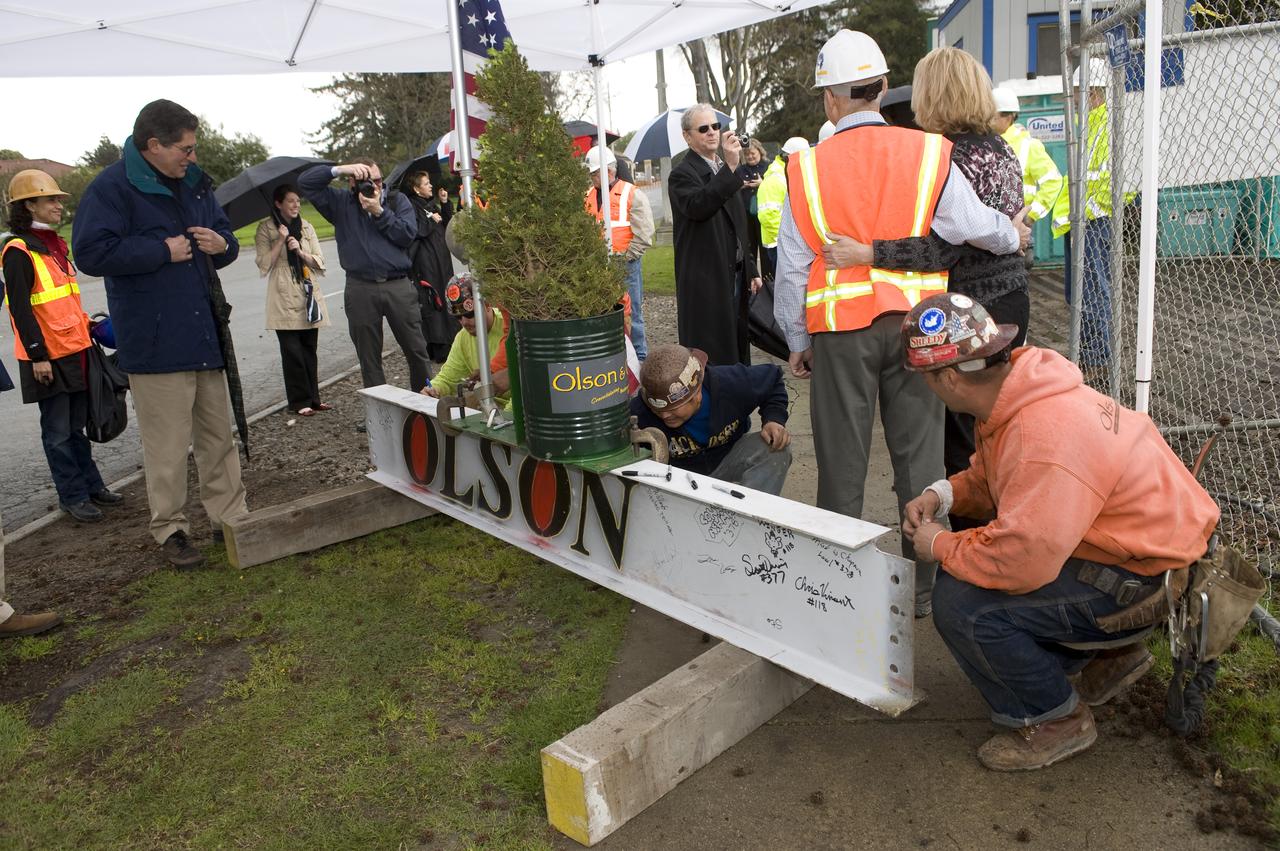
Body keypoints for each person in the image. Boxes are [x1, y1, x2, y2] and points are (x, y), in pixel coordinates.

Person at [898, 293, 1219, 770]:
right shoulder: (1022, 392)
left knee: (962, 602)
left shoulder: (1040, 434)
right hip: (1149, 555)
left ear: (946, 377)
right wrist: (942, 496)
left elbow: (1021, 560)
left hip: (1150, 578)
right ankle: (1110, 659)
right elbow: (997, 478)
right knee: (989, 566)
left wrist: (939, 545)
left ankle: (1054, 720)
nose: (927, 387)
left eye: (925, 377)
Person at [773, 30, 1029, 617]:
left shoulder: (805, 168)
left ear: (830, 99)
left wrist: (796, 340)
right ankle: (923, 588)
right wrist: (1008, 233)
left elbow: (791, 268)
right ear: (885, 88)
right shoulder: (927, 153)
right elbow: (972, 224)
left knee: (841, 464)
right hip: (921, 329)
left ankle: (837, 588)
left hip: (841, 331)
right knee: (919, 460)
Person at [822, 48, 1030, 549]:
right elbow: (997, 228)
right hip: (1009, 302)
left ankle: (970, 556)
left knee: (959, 444)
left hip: (964, 315)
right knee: (997, 433)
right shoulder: (1000, 148)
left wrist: (869, 251)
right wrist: (1015, 235)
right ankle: (1002, 537)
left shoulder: (944, 154)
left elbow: (946, 245)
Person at [73, 99, 247, 569]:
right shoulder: (110, 188)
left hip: (204, 332)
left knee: (217, 437)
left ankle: (230, 519)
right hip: (152, 340)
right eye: (185, 149)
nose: (192, 157)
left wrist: (223, 243)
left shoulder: (195, 182)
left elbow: (224, 233)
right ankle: (170, 529)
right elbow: (89, 252)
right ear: (154, 145)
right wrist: (157, 251)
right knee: (167, 446)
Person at [3, 169, 122, 523]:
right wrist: (38, 356)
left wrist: (89, 329)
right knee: (57, 433)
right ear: (30, 205)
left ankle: (91, 487)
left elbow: (63, 301)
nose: (59, 205)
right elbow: (21, 311)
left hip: (76, 349)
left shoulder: (54, 246)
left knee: (76, 426)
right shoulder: (18, 251)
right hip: (47, 358)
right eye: (51, 199)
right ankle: (72, 497)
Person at [298, 158, 433, 393]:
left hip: (397, 284)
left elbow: (407, 235)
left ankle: (424, 404)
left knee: (416, 349)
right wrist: (338, 169)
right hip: (360, 287)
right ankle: (379, 415)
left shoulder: (396, 200)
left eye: (378, 180)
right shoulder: (340, 203)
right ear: (352, 182)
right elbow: (306, 183)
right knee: (369, 357)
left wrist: (379, 212)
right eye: (366, 180)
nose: (374, 185)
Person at [668, 104, 762, 366]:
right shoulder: (681, 174)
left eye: (715, 126)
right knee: (712, 353)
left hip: (735, 272)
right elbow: (700, 206)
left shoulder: (724, 169)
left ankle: (737, 397)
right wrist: (730, 168)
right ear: (688, 136)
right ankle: (715, 402)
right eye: (703, 128)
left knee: (736, 344)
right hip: (706, 280)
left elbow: (738, 223)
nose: (712, 133)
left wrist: (752, 268)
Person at [630, 344, 791, 496]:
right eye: (658, 410)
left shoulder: (731, 384)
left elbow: (773, 379)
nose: (665, 416)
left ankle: (750, 515)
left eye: (673, 409)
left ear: (697, 393)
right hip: (677, 481)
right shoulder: (639, 411)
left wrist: (774, 419)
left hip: (726, 459)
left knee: (774, 450)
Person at [1051, 58, 1114, 382]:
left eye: (1077, 92)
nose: (1073, 99)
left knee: (1090, 291)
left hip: (1092, 220)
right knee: (1078, 293)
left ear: (1093, 93)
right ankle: (1088, 353)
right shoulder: (1091, 126)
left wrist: (1089, 209)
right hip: (1080, 220)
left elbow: (1116, 182)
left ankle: (1095, 357)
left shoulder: (1106, 126)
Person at [254, 183, 330, 417]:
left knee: (309, 349)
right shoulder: (266, 229)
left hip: (307, 291)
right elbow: (264, 264)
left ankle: (314, 398)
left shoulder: (306, 227)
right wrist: (280, 240)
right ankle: (299, 401)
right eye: (291, 201)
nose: (296, 205)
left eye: (298, 200)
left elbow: (320, 261)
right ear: (278, 203)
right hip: (282, 293)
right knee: (292, 351)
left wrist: (300, 251)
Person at [585, 145, 655, 360]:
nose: (592, 178)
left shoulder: (631, 193)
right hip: (597, 266)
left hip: (625, 264)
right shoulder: (588, 195)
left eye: (594, 174)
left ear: (608, 171)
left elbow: (645, 233)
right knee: (603, 313)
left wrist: (626, 258)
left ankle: (640, 358)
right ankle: (613, 357)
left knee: (632, 313)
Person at [419, 274, 511, 408]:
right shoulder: (463, 338)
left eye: (469, 314)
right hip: (489, 404)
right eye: (458, 317)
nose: (464, 322)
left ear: (487, 305)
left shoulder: (511, 328)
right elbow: (448, 377)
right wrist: (434, 389)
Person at [992, 86, 1064, 237]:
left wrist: (1032, 215)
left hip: (1018, 226)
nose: (987, 122)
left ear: (1008, 117)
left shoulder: (1028, 145)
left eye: (993, 117)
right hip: (991, 225)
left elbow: (1053, 181)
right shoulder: (987, 144)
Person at [405, 170, 459, 363]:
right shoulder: (411, 205)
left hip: (441, 259)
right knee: (433, 300)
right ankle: (438, 346)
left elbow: (446, 223)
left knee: (447, 296)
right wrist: (430, 220)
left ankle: (452, 339)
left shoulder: (430, 204)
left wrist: (444, 203)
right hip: (426, 262)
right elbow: (415, 231)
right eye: (426, 183)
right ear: (416, 188)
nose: (430, 186)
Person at [756, 137, 809, 276]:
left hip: (786, 243)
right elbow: (767, 215)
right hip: (779, 245)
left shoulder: (786, 173)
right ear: (791, 156)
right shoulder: (775, 178)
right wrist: (785, 240)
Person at [736, 139, 768, 279]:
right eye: (747, 154)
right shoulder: (740, 170)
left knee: (766, 251)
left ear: (760, 152)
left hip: (765, 217)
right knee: (749, 250)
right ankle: (750, 283)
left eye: (753, 153)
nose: (750, 157)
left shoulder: (769, 167)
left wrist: (763, 183)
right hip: (746, 216)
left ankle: (769, 282)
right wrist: (739, 185)